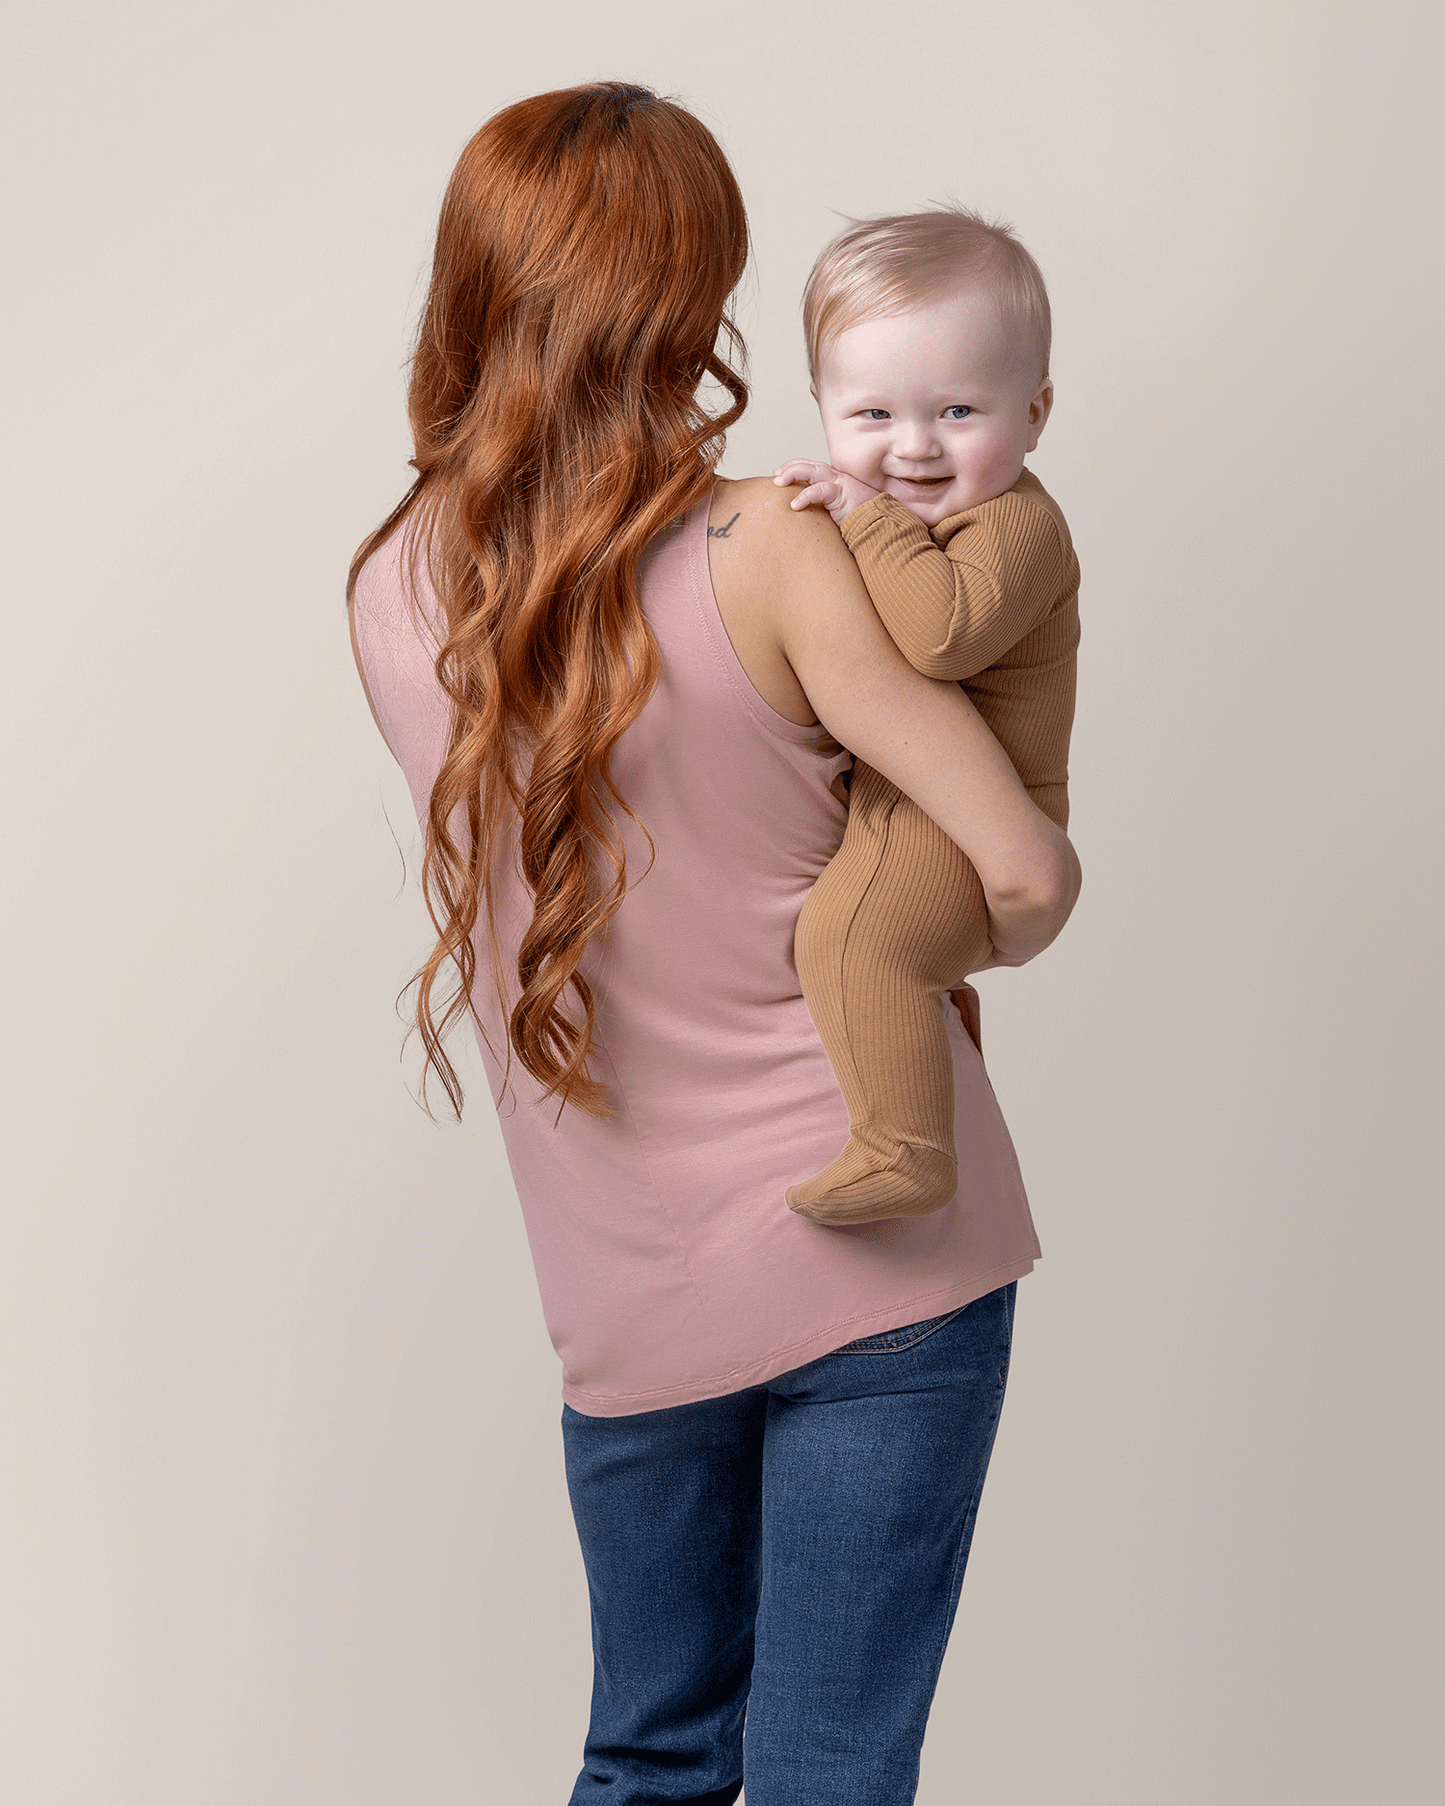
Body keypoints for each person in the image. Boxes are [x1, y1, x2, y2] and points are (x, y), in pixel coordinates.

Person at [347, 81, 1081, 1806]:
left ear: (475, 281)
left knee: (648, 1753)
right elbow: (1028, 866)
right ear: (693, 289)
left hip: (623, 1281)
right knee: (834, 1769)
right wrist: (943, 944)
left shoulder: (392, 582)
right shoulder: (774, 540)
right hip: (888, 1254)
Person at [772, 209, 1081, 1225]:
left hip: (967, 815)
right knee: (865, 937)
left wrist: (860, 523)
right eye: (870, 418)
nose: (911, 450)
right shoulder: (916, 516)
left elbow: (938, 636)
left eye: (956, 412)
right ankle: (928, 1033)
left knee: (852, 938)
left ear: (1033, 413)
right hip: (908, 799)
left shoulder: (1017, 525)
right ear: (820, 406)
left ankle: (904, 1151)